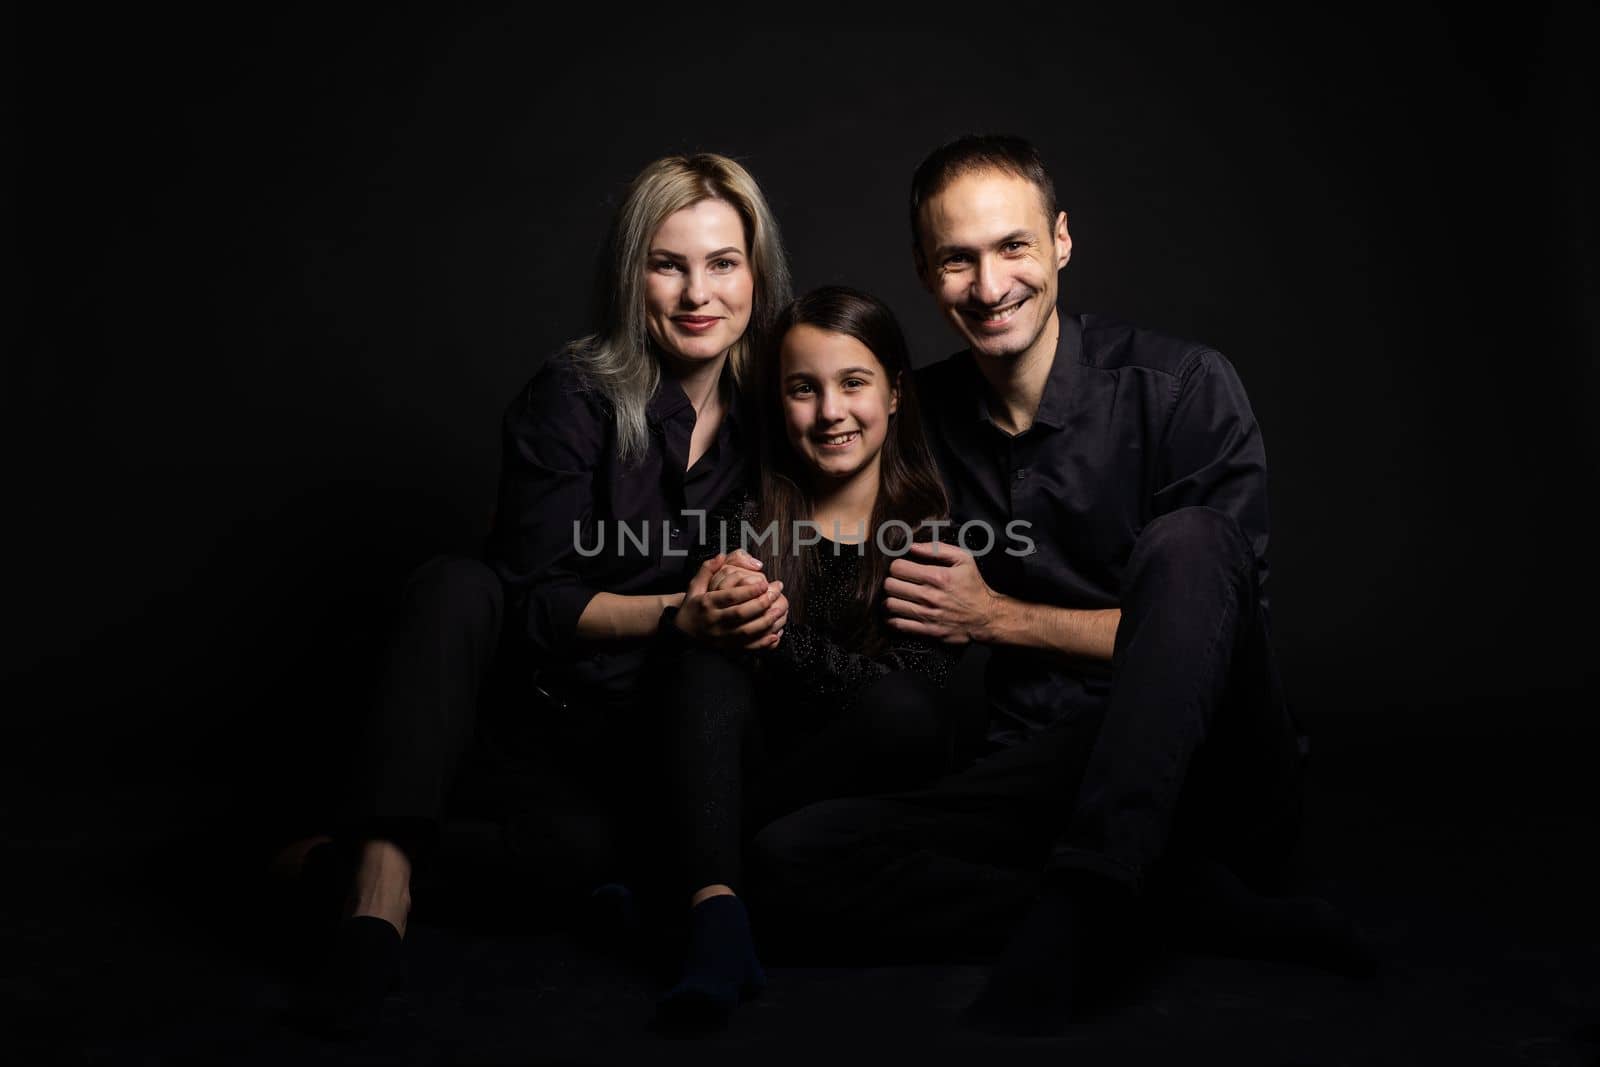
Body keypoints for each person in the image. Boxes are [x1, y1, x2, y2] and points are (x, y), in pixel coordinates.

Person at [747, 135, 1372, 1033]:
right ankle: (1173, 911)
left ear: (1062, 243)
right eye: (957, 258)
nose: (990, 283)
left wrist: (997, 617)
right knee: (786, 861)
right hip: (1034, 777)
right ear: (926, 273)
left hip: (1212, 771)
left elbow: (1217, 642)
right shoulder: (913, 417)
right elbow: (816, 499)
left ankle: (1091, 897)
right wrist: (739, 576)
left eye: (1013, 247)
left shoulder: (1183, 388)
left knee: (1191, 544)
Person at [283, 152, 794, 1038]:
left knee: (581, 862)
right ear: (631, 275)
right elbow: (537, 604)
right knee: (456, 582)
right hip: (544, 717)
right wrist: (683, 609)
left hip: (673, 734)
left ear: (757, 271)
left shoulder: (780, 405)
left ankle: (327, 861)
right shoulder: (572, 393)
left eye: (722, 262)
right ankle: (375, 894)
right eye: (667, 264)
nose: (696, 293)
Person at [652, 286, 962, 1030]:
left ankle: (680, 883)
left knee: (898, 711)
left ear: (893, 393)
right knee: (703, 646)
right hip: (742, 767)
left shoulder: (935, 528)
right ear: (778, 400)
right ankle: (716, 915)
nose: (830, 412)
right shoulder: (746, 516)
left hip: (844, 804)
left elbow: (914, 718)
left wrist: (781, 640)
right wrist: (716, 616)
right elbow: (688, 704)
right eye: (803, 388)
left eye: (853, 382)